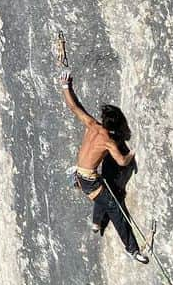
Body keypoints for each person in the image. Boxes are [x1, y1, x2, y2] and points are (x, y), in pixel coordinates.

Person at [61, 71, 149, 263]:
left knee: (104, 196)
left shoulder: (92, 124)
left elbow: (74, 107)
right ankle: (132, 249)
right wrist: (131, 154)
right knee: (116, 209)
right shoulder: (109, 142)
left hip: (80, 176)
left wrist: (66, 86)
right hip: (89, 181)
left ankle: (95, 223)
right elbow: (122, 162)